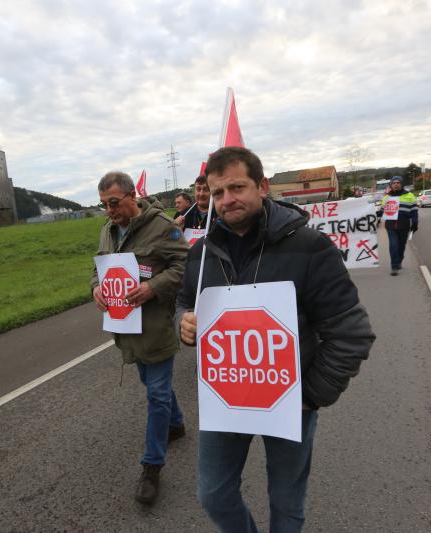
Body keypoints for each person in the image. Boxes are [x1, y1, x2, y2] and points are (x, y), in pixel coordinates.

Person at [176, 147, 375, 532]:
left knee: (286, 503)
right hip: (226, 399)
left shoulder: (310, 247)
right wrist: (182, 324)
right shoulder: (200, 253)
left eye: (237, 187)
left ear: (262, 186)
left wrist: (309, 395)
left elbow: (352, 334)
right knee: (213, 494)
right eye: (217, 193)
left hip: (291, 403)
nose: (226, 200)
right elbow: (185, 302)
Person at [91, 171, 189, 505]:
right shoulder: (107, 230)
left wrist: (153, 286)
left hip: (156, 326)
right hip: (127, 328)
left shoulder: (163, 226)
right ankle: (176, 424)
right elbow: (98, 268)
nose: (109, 210)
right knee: (151, 383)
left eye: (114, 202)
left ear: (133, 196)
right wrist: (95, 288)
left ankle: (152, 467)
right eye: (103, 204)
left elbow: (184, 264)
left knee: (157, 394)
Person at [377, 176, 418, 275]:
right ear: (391, 185)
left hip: (404, 225)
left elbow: (414, 211)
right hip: (390, 226)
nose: (396, 184)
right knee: (393, 245)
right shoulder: (387, 197)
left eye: (398, 182)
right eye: (393, 183)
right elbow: (382, 211)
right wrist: (375, 215)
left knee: (401, 246)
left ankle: (399, 260)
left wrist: (415, 222)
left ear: (401, 184)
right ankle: (394, 266)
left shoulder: (410, 196)